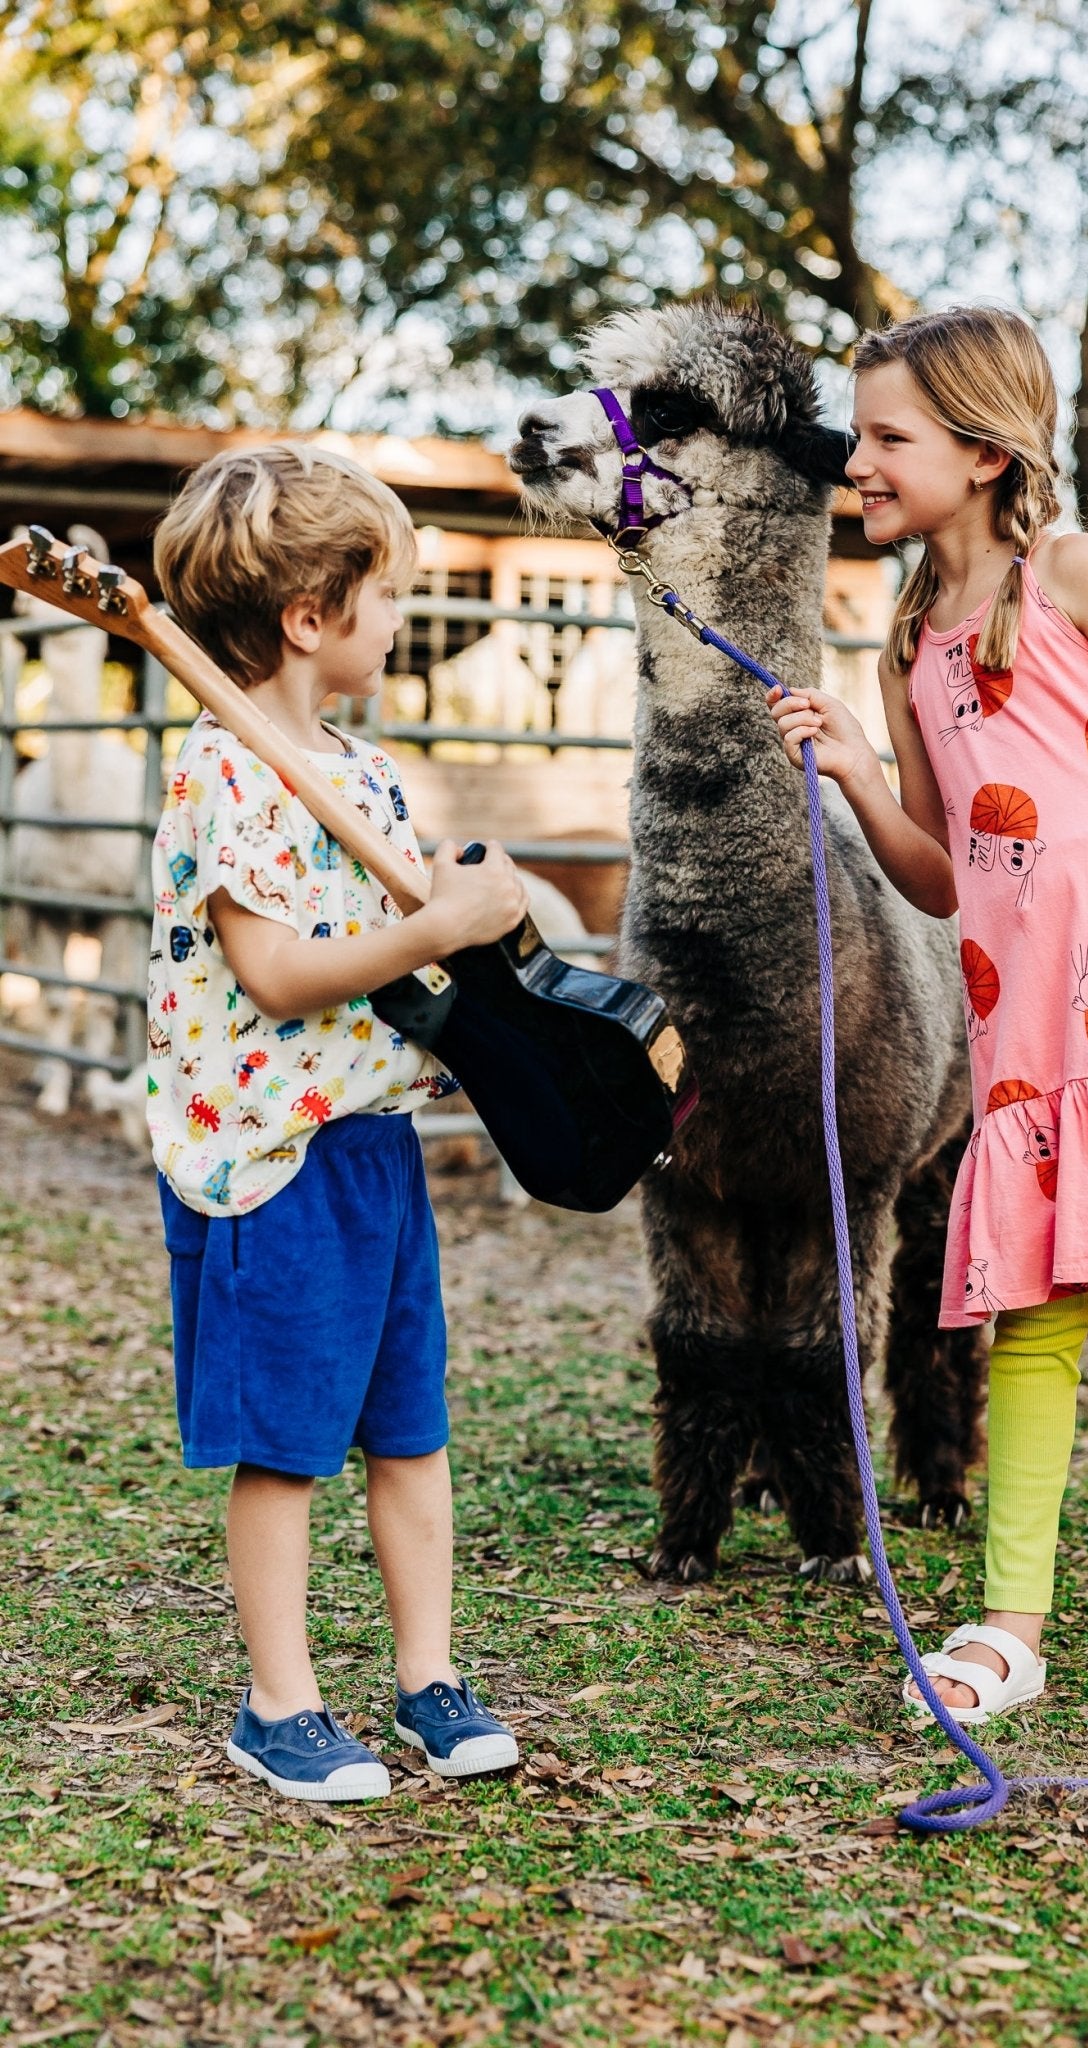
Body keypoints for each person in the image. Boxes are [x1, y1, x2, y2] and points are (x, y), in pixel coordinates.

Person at [768, 306, 1088, 1758]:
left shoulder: (1075, 574)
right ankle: (1009, 1624)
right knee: (1032, 1329)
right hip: (1025, 1057)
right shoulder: (905, 646)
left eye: (886, 439)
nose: (854, 462)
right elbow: (941, 871)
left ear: (985, 454)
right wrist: (863, 776)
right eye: (857, 436)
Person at [149, 444, 530, 1800]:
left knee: (408, 1426)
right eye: (388, 594)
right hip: (266, 1158)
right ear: (312, 614)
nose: (401, 619)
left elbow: (406, 944)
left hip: (370, 1150)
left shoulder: (360, 771)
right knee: (289, 1446)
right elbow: (277, 970)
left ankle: (428, 1677)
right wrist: (429, 924)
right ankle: (280, 1703)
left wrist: (481, 916)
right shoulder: (222, 768)